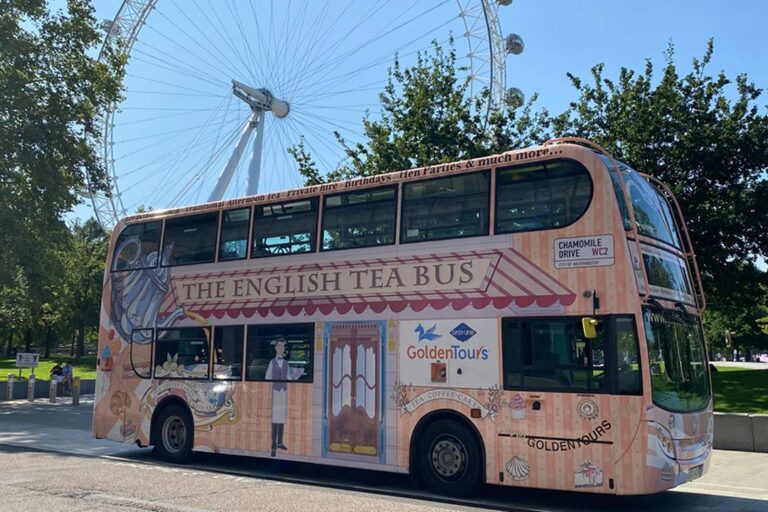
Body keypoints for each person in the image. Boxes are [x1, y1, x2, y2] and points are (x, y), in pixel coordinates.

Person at [265, 337, 305, 457]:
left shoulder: (286, 363)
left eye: (283, 346)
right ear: (276, 347)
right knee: (275, 419)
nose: (281, 348)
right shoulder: (272, 362)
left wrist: (296, 375)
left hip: (284, 392)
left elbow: (288, 376)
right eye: (279, 345)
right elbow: (267, 377)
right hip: (277, 392)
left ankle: (280, 442)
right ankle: (273, 445)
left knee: (281, 417)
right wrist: (275, 384)